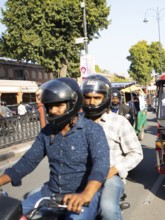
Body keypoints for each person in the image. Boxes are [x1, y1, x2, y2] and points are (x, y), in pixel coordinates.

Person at [0, 78, 110, 219]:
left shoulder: (92, 129)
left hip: (81, 196)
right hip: (49, 194)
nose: (53, 110)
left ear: (72, 104)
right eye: (49, 106)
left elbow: (101, 164)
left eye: (59, 105)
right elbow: (27, 161)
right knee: (14, 214)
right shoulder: (47, 132)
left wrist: (86, 194)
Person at [82, 75, 143, 220]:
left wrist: (113, 170)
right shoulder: (76, 122)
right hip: (80, 176)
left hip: (110, 178)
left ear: (106, 98)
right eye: (87, 97)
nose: (91, 102)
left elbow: (136, 153)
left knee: (107, 208)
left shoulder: (119, 122)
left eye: (97, 98)